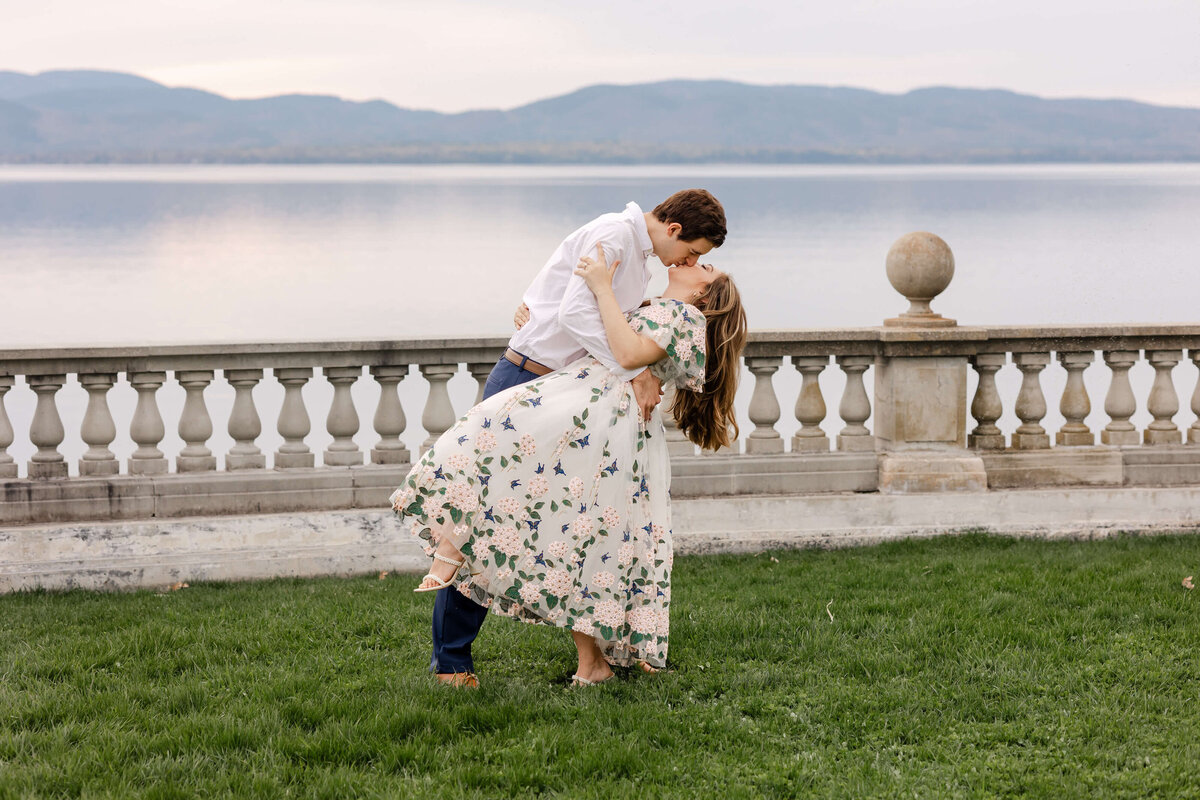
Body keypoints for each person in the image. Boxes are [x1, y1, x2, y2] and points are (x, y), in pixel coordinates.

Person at [409, 189, 728, 688]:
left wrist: (636, 363)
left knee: (536, 520)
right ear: (673, 229)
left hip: (564, 396)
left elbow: (569, 296)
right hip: (528, 378)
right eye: (694, 251)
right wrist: (631, 372)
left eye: (699, 261)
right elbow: (576, 316)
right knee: (485, 513)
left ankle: (600, 651)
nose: (690, 260)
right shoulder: (614, 236)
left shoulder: (639, 261)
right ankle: (451, 661)